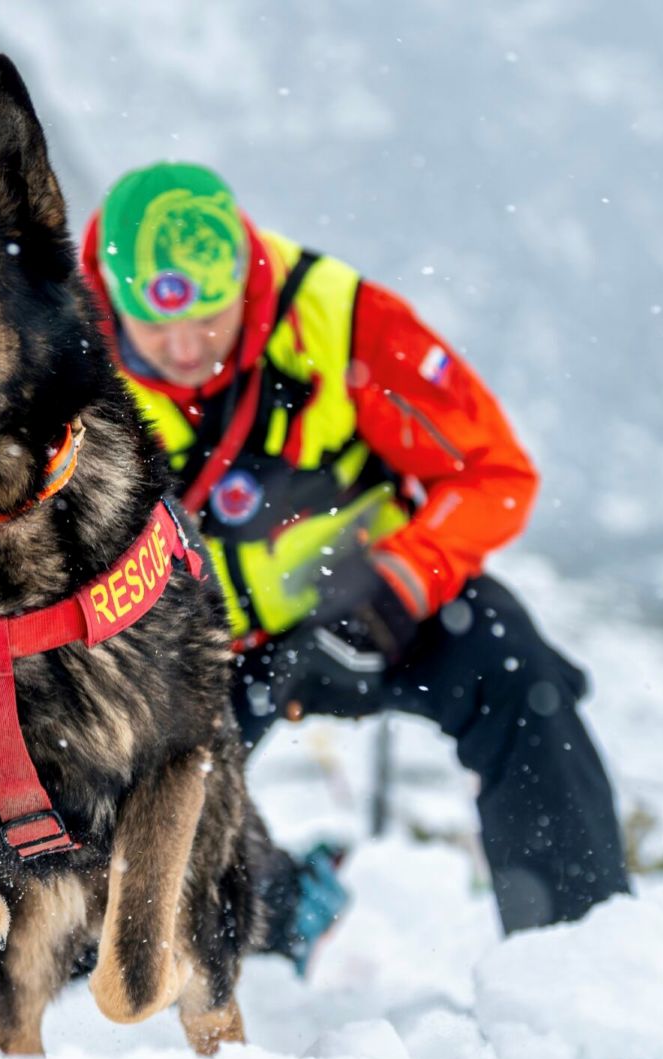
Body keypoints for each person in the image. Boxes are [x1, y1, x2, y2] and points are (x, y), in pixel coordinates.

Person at [81, 162, 630, 940]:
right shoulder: (60, 364)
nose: (182, 348)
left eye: (209, 317)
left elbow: (495, 472)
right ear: (108, 297)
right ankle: (279, 906)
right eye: (154, 323)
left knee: (516, 667)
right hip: (198, 660)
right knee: (104, 875)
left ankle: (583, 948)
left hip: (372, 620)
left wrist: (407, 577)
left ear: (244, 279)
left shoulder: (338, 320)